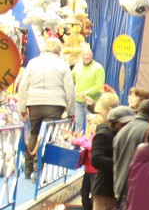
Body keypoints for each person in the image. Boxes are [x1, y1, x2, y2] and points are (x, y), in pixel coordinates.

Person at [17, 38, 76, 179]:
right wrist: (71, 111)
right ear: (58, 50)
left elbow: (23, 86)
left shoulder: (32, 63)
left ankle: (28, 169)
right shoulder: (63, 65)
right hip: (54, 105)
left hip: (34, 104)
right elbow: (70, 90)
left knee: (33, 134)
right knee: (46, 137)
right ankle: (39, 172)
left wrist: (22, 108)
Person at [72, 46, 108, 133]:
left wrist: (86, 93)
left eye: (88, 54)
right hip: (78, 102)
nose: (86, 57)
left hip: (92, 103)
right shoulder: (76, 67)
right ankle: (78, 143)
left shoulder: (98, 68)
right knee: (78, 126)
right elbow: (70, 81)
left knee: (92, 127)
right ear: (81, 55)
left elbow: (100, 87)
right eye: (84, 54)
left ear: (92, 55)